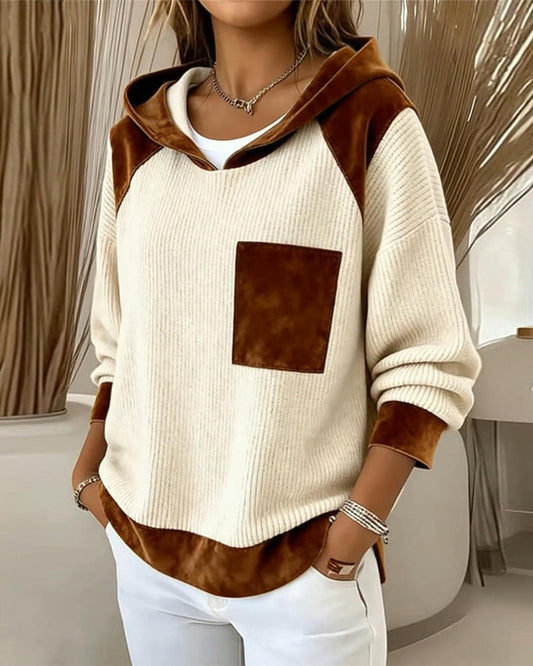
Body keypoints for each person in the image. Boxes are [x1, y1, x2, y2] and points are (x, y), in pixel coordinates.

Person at [71, 1, 483, 665]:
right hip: (147, 557)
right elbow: (119, 343)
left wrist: (353, 534)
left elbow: (428, 360)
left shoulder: (366, 121)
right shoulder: (137, 139)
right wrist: (90, 478)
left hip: (305, 569)